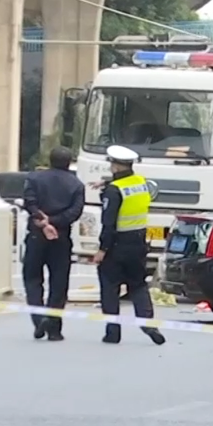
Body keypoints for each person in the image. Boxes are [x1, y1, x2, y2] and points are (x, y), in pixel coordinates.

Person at [95, 145, 166, 346]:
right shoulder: (141, 183)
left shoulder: (114, 190)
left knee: (110, 287)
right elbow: (127, 188)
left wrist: (102, 249)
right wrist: (107, 184)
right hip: (138, 243)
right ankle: (149, 325)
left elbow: (109, 223)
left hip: (117, 245)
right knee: (138, 285)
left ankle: (113, 332)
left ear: (116, 166)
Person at [21, 146, 85, 341]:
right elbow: (75, 212)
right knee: (59, 282)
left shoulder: (34, 178)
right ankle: (54, 328)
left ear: (50, 160)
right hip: (61, 236)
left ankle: (39, 318)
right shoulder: (76, 184)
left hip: (37, 233)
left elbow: (29, 202)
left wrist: (43, 220)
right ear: (69, 162)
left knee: (32, 278)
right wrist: (55, 222)